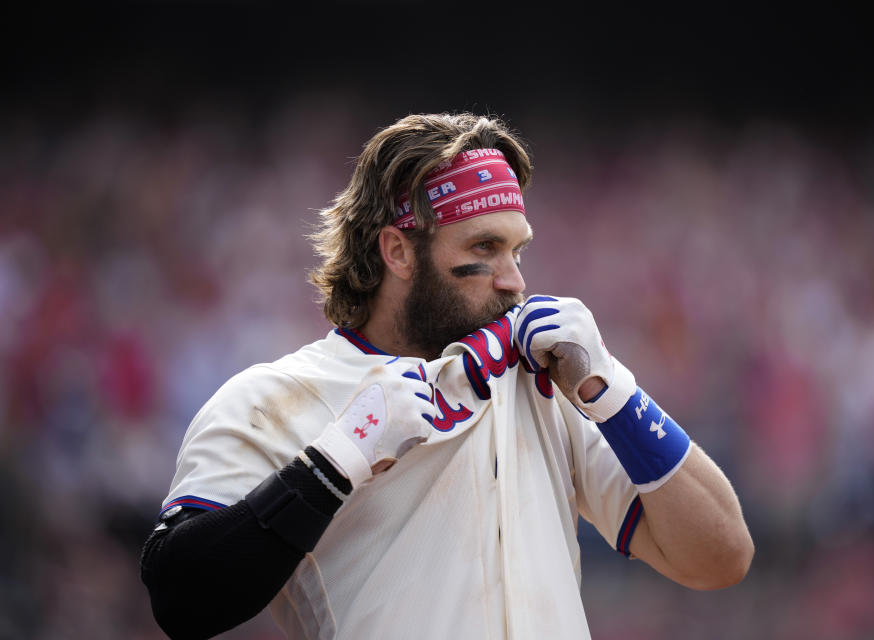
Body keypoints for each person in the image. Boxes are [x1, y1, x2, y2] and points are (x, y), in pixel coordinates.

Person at [140, 112, 754, 639]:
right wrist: (332, 463)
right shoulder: (274, 398)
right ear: (398, 251)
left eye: (518, 250)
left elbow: (721, 555)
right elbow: (181, 602)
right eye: (484, 248)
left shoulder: (544, 386)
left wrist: (613, 393)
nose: (514, 279)